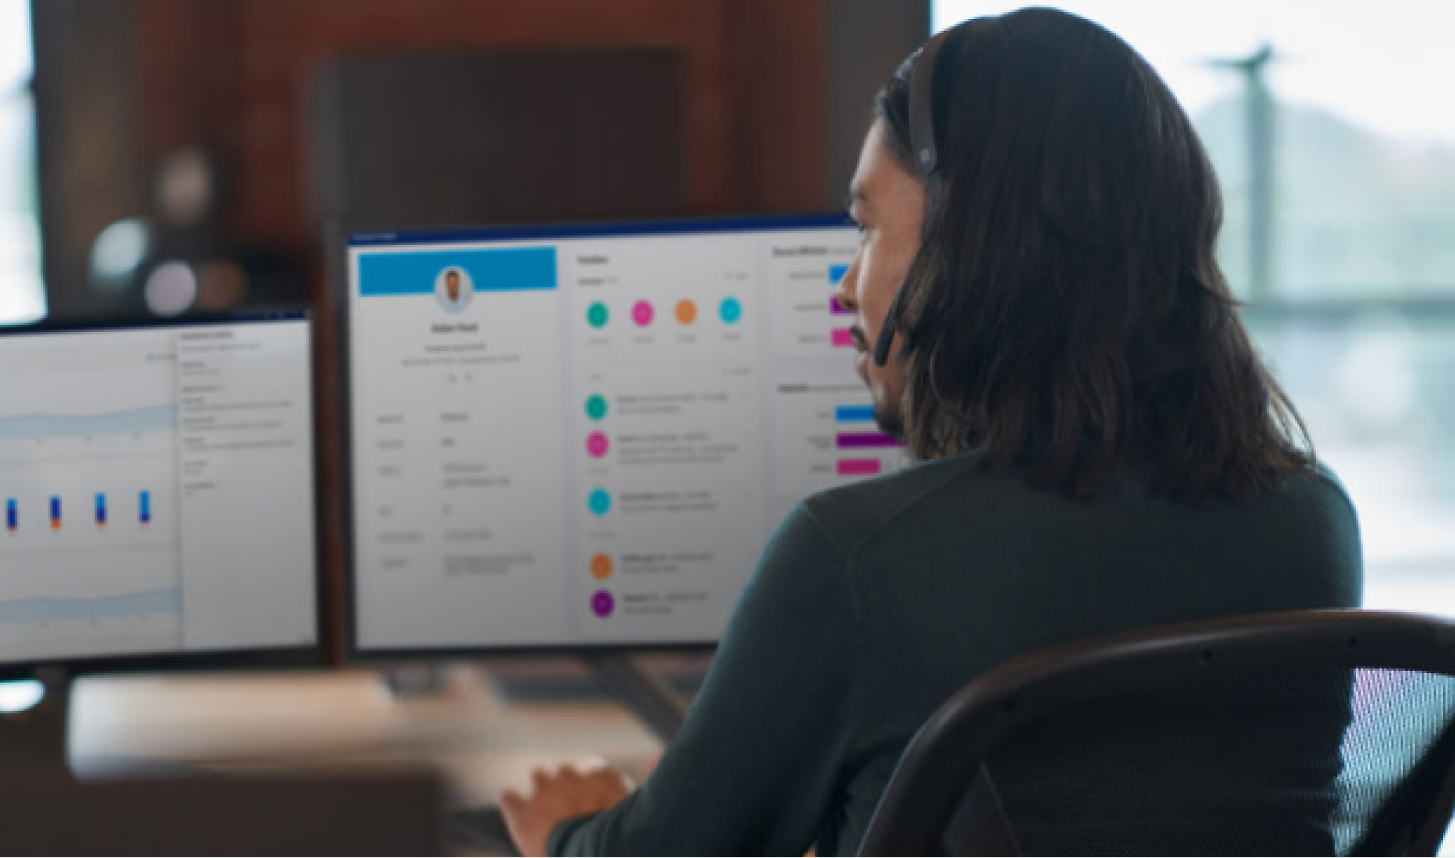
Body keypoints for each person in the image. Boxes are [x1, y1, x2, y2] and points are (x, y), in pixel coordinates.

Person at [499, 8, 1362, 858]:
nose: (844, 286)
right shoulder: (1312, 523)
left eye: (867, 227)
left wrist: (569, 831)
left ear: (970, 249)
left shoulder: (857, 559)